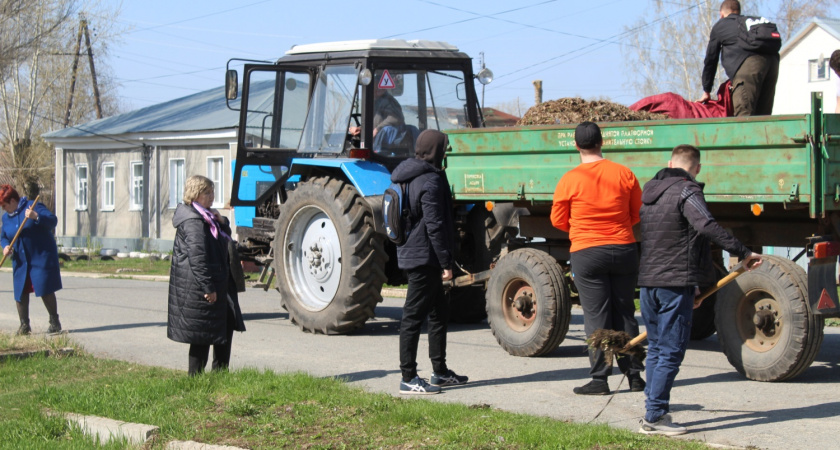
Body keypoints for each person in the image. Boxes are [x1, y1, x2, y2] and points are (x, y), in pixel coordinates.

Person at [637, 145, 763, 435]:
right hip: (672, 285)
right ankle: (654, 416)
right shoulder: (687, 191)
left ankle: (654, 411)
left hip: (649, 283)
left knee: (656, 348)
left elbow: (676, 242)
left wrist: (695, 285)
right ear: (697, 168)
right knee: (670, 350)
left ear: (670, 163)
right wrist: (743, 253)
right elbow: (706, 227)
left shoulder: (649, 195)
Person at [550, 122, 645, 395]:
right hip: (624, 248)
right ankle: (635, 376)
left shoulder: (570, 179)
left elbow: (557, 220)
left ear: (576, 146)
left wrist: (582, 230)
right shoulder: (624, 173)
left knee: (596, 317)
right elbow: (637, 212)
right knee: (626, 311)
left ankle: (600, 380)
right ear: (602, 142)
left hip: (587, 252)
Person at [390, 129, 467, 395]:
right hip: (426, 258)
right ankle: (408, 378)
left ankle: (440, 372)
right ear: (437, 151)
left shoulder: (405, 175)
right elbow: (436, 225)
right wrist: (446, 262)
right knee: (413, 317)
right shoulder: (431, 180)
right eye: (445, 148)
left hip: (413, 251)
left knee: (439, 315)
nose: (446, 153)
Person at [167, 175, 246, 376]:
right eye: (207, 193)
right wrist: (208, 288)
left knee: (225, 327)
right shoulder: (193, 221)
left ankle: (220, 375)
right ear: (195, 194)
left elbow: (223, 240)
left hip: (220, 283)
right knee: (202, 335)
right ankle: (195, 379)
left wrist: (222, 221)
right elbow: (198, 257)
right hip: (202, 288)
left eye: (212, 192)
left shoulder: (208, 217)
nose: (211, 197)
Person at [698, 0, 779, 116]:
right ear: (738, 12)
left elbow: (711, 59)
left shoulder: (721, 25)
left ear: (721, 14)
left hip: (750, 66)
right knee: (763, 118)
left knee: (743, 115)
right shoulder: (749, 23)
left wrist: (706, 90)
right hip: (773, 63)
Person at [0, 185, 62, 335]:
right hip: (21, 261)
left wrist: (36, 217)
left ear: (13, 200)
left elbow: (52, 221)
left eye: (4, 205)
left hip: (40, 258)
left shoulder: (33, 205)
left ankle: (54, 322)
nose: (3, 209)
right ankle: (24, 325)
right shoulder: (6, 218)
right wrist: (5, 246)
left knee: (44, 289)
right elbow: (3, 236)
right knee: (20, 292)